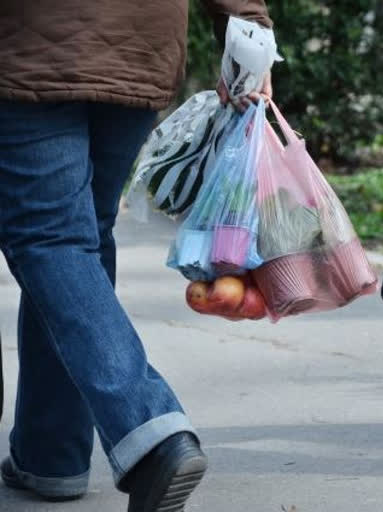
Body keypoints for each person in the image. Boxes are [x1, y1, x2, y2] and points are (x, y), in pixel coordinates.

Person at [0, 1, 273, 509]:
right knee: (79, 240)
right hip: (139, 43)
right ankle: (50, 454)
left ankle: (150, 432)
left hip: (28, 44)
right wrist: (250, 28)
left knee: (52, 239)